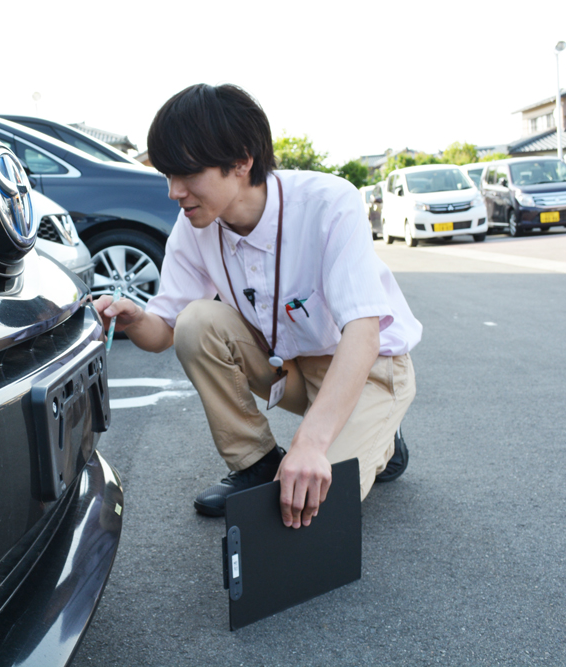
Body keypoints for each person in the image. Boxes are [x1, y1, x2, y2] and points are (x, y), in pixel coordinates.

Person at [95, 84, 421, 529]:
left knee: (316, 510)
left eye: (186, 174)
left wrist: (310, 444)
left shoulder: (328, 202)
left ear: (242, 160)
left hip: (370, 372)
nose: (174, 192)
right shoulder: (195, 224)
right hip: (291, 371)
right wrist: (134, 318)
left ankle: (380, 438)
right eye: (167, 176)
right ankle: (258, 462)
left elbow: (363, 332)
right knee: (197, 321)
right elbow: (165, 333)